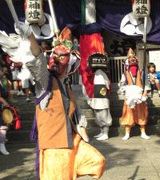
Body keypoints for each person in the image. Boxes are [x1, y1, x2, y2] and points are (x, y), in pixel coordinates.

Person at [0, 24, 105, 179]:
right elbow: (38, 60)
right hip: (55, 147)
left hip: (72, 141)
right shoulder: (45, 82)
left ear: (71, 64)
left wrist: (82, 132)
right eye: (53, 56)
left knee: (97, 161)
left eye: (62, 56)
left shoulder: (66, 86)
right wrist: (30, 36)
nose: (55, 60)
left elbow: (74, 114)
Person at [119, 48, 151, 140]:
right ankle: (127, 133)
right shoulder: (125, 73)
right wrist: (125, 92)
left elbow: (147, 84)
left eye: (134, 58)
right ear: (127, 61)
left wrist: (144, 95)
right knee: (128, 114)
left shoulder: (142, 72)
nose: (132, 60)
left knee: (141, 114)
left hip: (140, 96)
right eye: (130, 59)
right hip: (129, 97)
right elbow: (122, 84)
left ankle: (143, 132)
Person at [87, 53, 112, 141]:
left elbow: (105, 86)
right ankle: (102, 132)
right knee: (99, 116)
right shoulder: (98, 73)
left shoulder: (100, 73)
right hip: (98, 97)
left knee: (103, 115)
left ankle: (105, 133)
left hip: (101, 98)